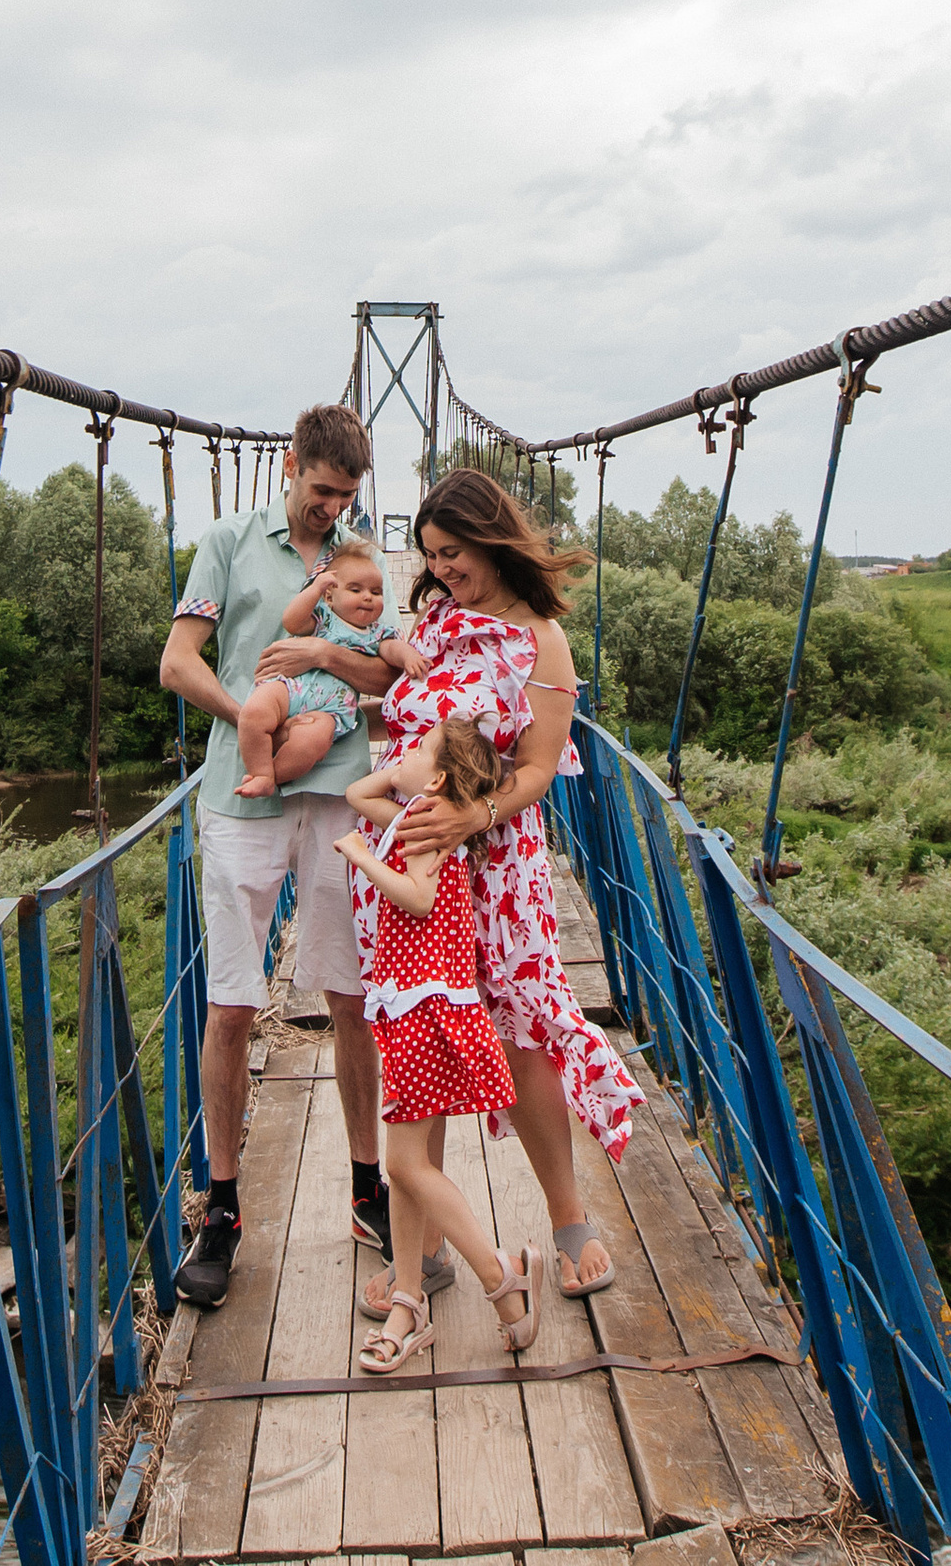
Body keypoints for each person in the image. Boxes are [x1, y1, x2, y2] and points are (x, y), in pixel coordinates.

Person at [358, 468, 644, 1321]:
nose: (442, 571)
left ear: (491, 540)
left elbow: (540, 768)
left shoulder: (542, 641)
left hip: (497, 860)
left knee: (522, 1026)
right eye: (433, 557)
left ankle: (567, 1222)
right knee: (421, 1030)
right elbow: (409, 708)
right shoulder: (440, 617)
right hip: (414, 859)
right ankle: (430, 1252)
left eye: (454, 554)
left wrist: (468, 818)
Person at [157, 403, 394, 1309]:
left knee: (352, 998)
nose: (331, 509)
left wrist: (329, 651)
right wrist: (259, 720)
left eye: (345, 497)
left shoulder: (360, 557)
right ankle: (221, 1212)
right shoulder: (223, 542)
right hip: (242, 798)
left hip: (338, 796)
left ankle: (368, 1189)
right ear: (291, 467)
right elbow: (179, 663)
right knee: (230, 1009)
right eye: (321, 489)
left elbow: (388, 675)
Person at [334, 719, 540, 1373]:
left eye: (414, 753)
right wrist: (399, 775)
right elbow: (357, 795)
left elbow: (420, 899)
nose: (400, 758)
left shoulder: (428, 828)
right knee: (405, 1165)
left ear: (442, 777)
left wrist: (364, 859)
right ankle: (410, 1298)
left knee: (409, 1167)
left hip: (426, 1010)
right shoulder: (418, 812)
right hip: (413, 1007)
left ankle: (500, 1275)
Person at [232, 541, 396, 798]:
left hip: (329, 710)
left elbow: (392, 657)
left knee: (311, 743)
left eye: (376, 592)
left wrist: (408, 657)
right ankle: (260, 772)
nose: (368, 596)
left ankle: (271, 777)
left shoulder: (379, 634)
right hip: (292, 688)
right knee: (254, 712)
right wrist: (315, 589)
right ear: (330, 596)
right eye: (356, 589)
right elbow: (292, 621)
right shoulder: (323, 619)